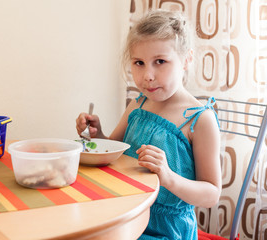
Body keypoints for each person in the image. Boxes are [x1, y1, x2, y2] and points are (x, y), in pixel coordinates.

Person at [76, 9, 221, 240]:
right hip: (125, 213)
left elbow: (212, 194)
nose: (147, 75)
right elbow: (114, 150)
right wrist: (97, 134)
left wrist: (169, 177)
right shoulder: (138, 105)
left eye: (160, 61)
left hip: (165, 230)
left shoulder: (200, 120)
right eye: (139, 63)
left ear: (187, 60)